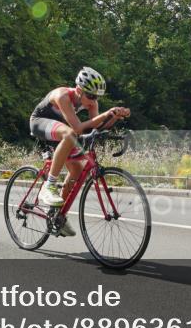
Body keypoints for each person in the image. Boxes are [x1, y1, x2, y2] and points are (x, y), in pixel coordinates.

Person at [31, 67, 129, 237]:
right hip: (40, 122)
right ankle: (49, 186)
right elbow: (77, 128)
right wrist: (106, 114)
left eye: (96, 97)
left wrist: (114, 117)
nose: (93, 101)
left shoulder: (91, 102)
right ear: (78, 90)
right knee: (70, 134)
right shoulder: (63, 96)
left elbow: (96, 126)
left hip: (61, 131)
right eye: (90, 96)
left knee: (77, 170)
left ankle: (57, 215)